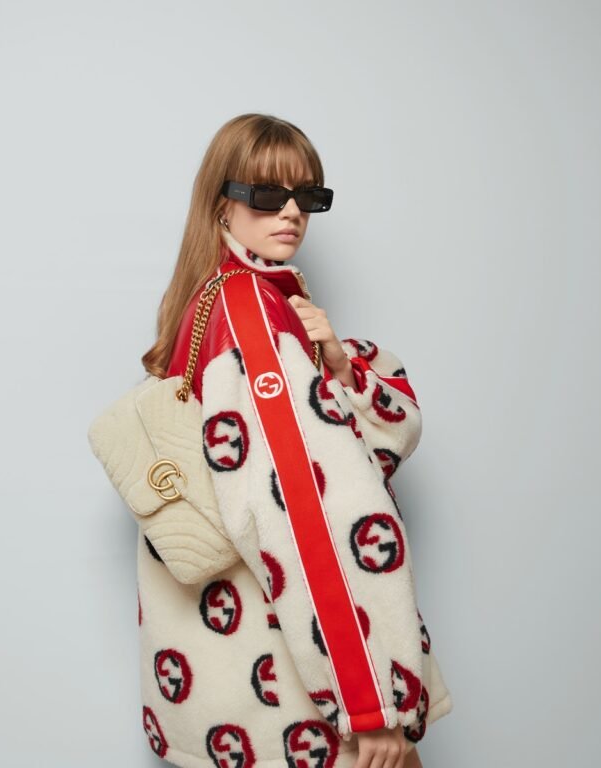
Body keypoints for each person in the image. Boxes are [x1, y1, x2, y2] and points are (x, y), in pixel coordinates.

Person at [125, 113, 452, 768]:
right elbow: (307, 516)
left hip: (236, 690)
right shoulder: (249, 315)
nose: (293, 212)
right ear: (222, 202)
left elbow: (361, 449)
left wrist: (336, 365)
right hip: (299, 705)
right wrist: (370, 706)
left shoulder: (218, 301)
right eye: (269, 193)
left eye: (310, 196)